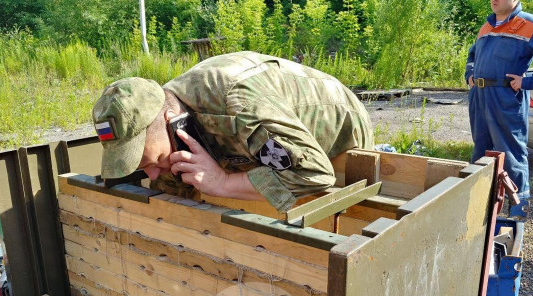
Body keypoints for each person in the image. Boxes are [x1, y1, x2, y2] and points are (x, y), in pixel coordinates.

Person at [92, 51, 373, 212]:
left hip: (338, 132)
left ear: (170, 119)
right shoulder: (170, 118)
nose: (151, 174)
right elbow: (171, 193)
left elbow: (315, 174)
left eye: (152, 160)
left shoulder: (238, 104)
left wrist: (223, 182)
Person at [465, 0, 533, 220]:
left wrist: (528, 81)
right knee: (482, 149)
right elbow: (472, 56)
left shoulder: (529, 24)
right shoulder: (487, 26)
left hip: (505, 97)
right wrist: (469, 75)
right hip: (479, 96)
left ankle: (518, 210)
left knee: (511, 152)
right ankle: (485, 204)